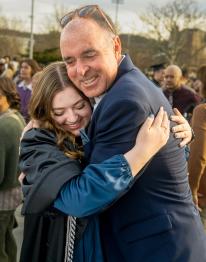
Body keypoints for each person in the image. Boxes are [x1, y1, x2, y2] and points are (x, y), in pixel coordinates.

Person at [53, 5, 206, 261]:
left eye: (89, 54)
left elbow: (88, 197)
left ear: (115, 47)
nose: (80, 70)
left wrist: (38, 179)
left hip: (157, 250)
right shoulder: (121, 88)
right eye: (70, 61)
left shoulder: (125, 101)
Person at [19, 61, 170, 262]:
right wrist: (141, 153)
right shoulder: (36, 140)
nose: (72, 118)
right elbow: (79, 199)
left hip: (111, 242)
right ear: (46, 111)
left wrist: (182, 133)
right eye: (59, 112)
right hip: (65, 248)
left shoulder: (98, 129)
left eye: (79, 106)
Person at [0, 77, 25, 262]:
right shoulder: (16, 118)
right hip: (14, 194)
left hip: (2, 198)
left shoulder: (4, 125)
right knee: (7, 241)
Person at [188, 64, 206, 230]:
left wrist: (192, 188)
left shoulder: (202, 110)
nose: (195, 84)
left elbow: (198, 154)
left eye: (198, 80)